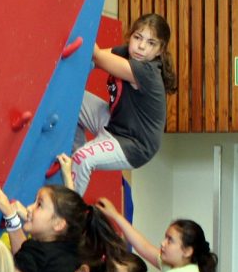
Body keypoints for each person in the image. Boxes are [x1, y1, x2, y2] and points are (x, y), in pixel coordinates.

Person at [59, 13, 177, 195]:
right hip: (116, 123)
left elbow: (97, 56)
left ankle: (68, 216)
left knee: (84, 158)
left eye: (151, 43)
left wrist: (72, 17)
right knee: (71, 97)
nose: (142, 46)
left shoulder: (147, 72)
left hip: (134, 144)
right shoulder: (126, 53)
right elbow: (93, 60)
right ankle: (75, 153)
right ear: (130, 37)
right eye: (138, 38)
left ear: (159, 51)